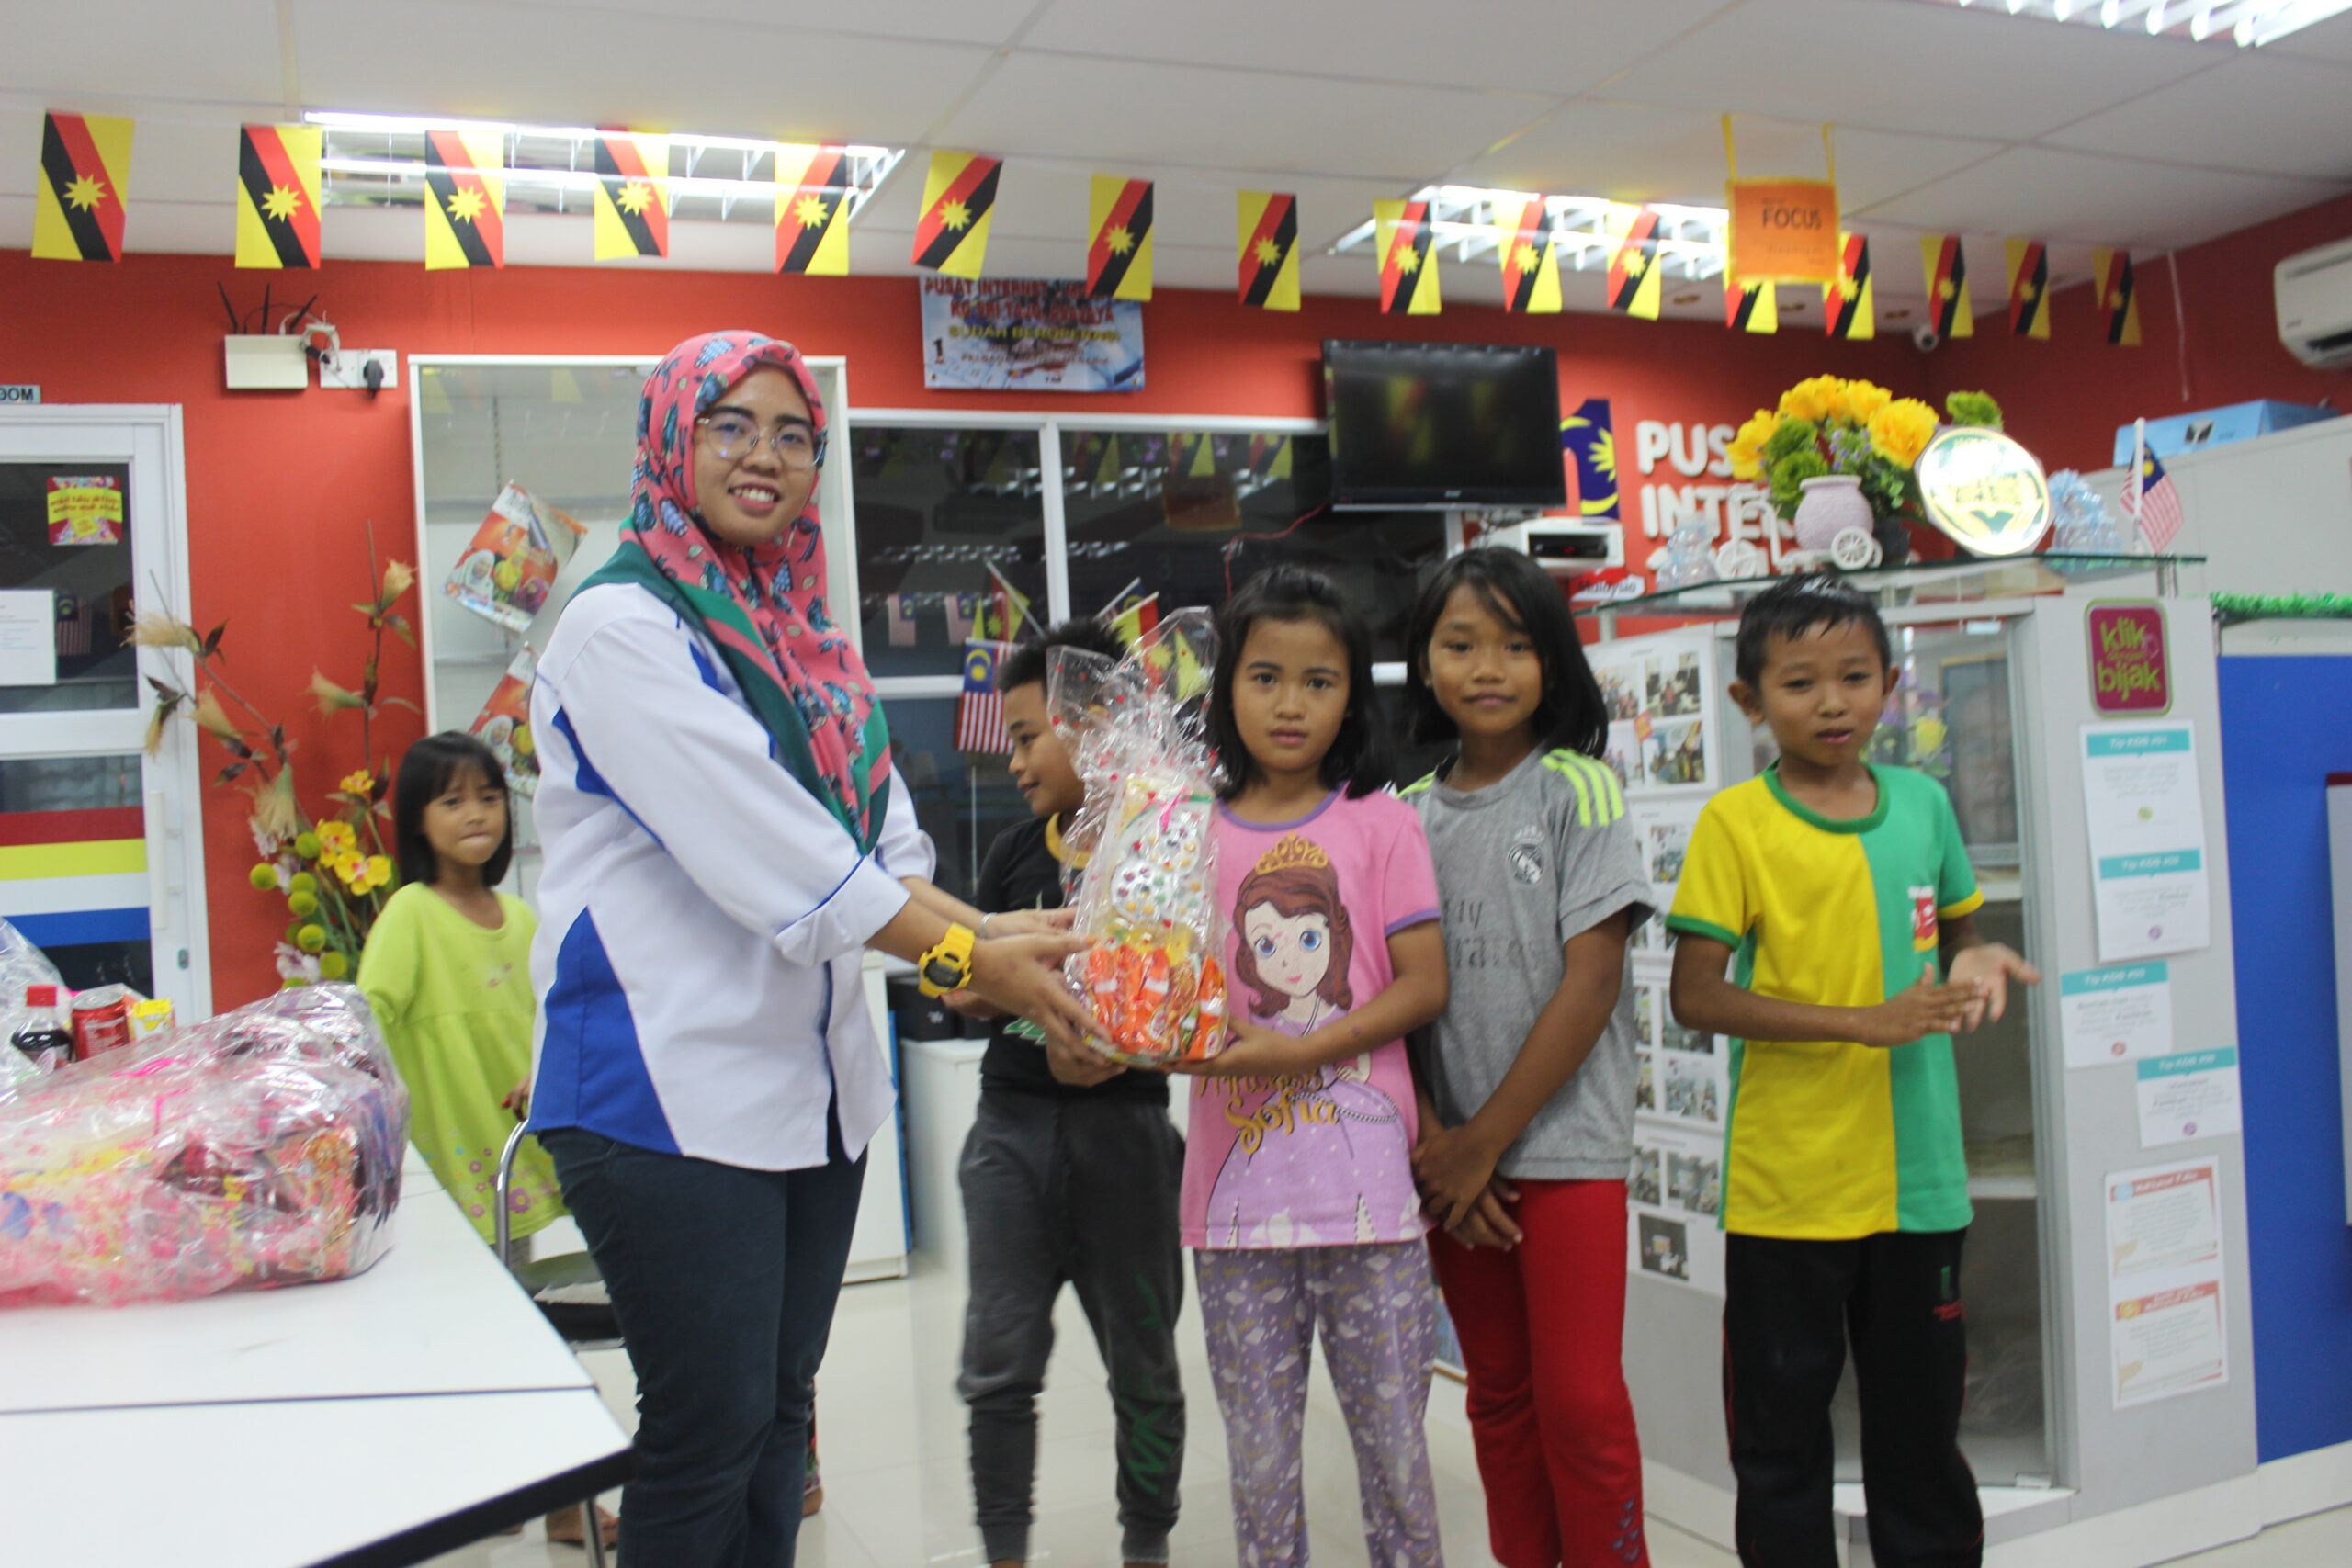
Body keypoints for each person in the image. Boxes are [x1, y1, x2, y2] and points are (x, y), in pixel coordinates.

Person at [523, 331, 1095, 1568]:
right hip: (662, 1094)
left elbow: (883, 852)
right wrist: (973, 961)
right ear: (671, 440)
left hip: (807, 1099)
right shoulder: (619, 627)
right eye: (730, 425)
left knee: (782, 1416)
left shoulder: (803, 639)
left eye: (793, 433)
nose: (765, 455)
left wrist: (999, 933)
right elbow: (781, 860)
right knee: (706, 1432)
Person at [1663, 573, 2040, 1568]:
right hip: (1787, 1188)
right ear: (1749, 700)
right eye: (1799, 683)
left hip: (1920, 1181)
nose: (1832, 703)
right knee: (1781, 1443)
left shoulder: (1923, 802)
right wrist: (1860, 1025)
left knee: (1921, 1437)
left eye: (1856, 677)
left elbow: (1957, 933)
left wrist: (1976, 957)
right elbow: (1695, 995)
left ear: (1888, 685)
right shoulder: (1736, 823)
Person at [1176, 565, 1451, 1568]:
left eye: (1318, 680)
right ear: (1227, 689)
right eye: (1265, 677)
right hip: (1234, 1211)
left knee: (1397, 1461)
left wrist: (1297, 1050)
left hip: (1371, 1206)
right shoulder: (1183, 833)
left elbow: (1422, 985)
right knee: (1259, 1474)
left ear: (1351, 696)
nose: (1290, 703)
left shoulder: (1382, 822)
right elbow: (1167, 998)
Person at [1398, 548, 1654, 1568]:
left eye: (1514, 645)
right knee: (1497, 1395)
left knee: (1581, 1402)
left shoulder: (1579, 790)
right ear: (1424, 663)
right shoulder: (1404, 813)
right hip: (1454, 1164)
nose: (1487, 668)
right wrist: (1439, 1147)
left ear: (1552, 660)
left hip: (1565, 1149)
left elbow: (1591, 983)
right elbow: (1389, 1001)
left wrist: (1482, 1143)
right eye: (1460, 645)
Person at [953, 617, 1187, 1568]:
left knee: (1145, 1366)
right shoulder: (1014, 854)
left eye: (1024, 736)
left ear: (1094, 725)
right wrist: (1000, 987)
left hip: (1126, 1140)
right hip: (1009, 1136)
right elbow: (959, 981)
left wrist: (1116, 1044)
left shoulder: (1163, 847)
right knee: (997, 1365)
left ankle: (1147, 1544)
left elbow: (1182, 996)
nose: (1012, 761)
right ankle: (1004, 1549)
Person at [359, 732, 612, 1550]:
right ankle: (519, 1490)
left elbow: (558, 1021)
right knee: (485, 1343)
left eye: (490, 797)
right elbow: (364, 1028)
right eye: (452, 800)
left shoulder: (524, 917)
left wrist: (545, 1071)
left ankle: (547, 1495)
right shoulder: (410, 915)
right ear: (418, 819)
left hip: (515, 1168)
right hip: (442, 1177)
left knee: (527, 1330)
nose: (476, 814)